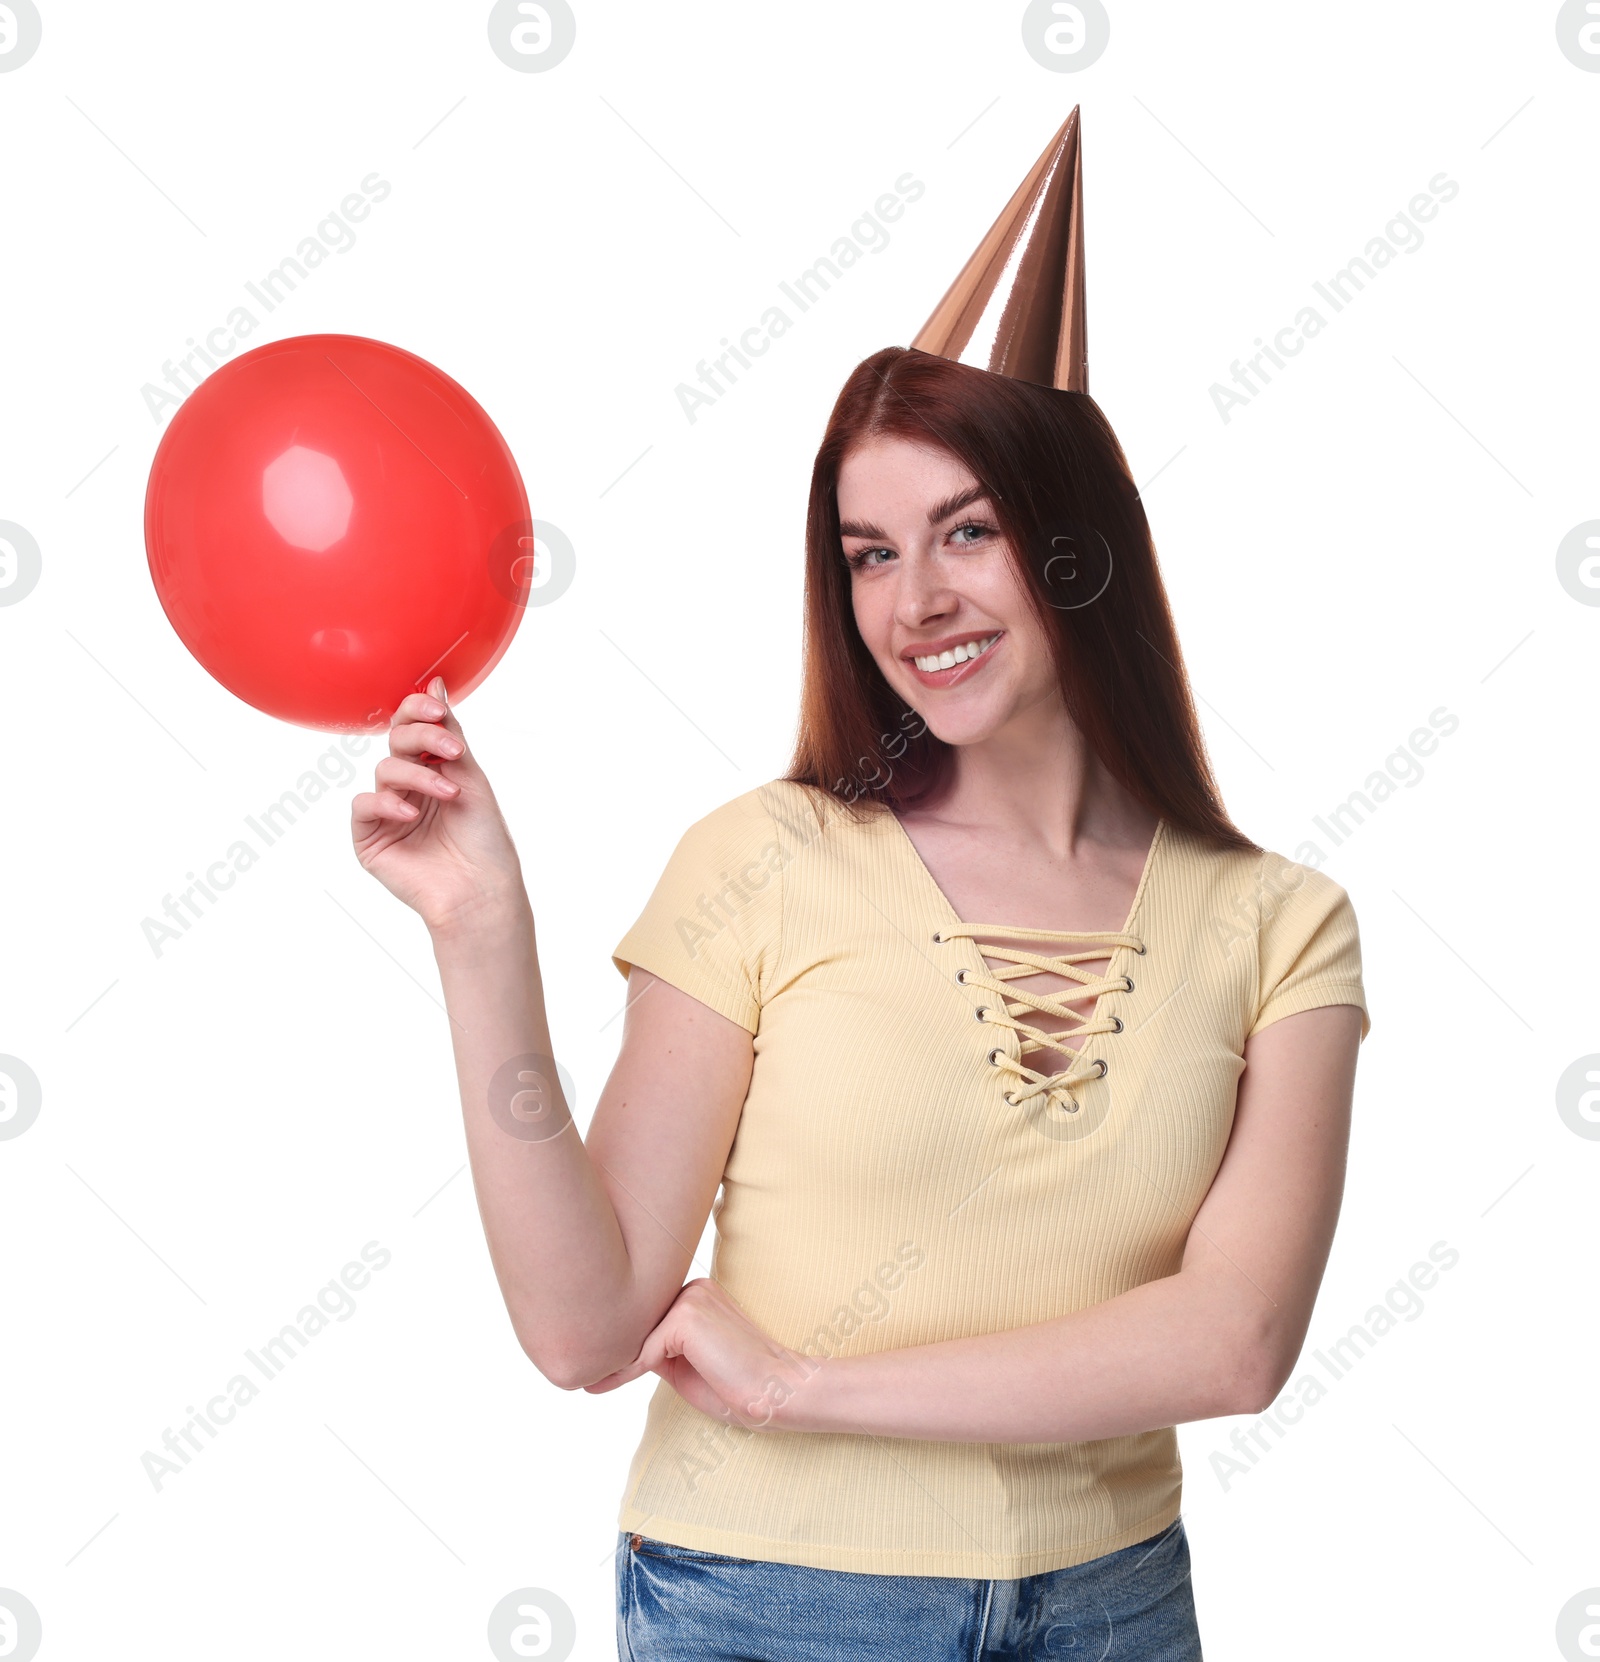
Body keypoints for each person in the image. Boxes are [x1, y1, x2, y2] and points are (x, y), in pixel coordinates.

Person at [351, 110, 1368, 1661]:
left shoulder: (1279, 924)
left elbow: (1233, 1340)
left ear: (1077, 548)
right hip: (769, 1601)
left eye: (970, 532)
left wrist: (805, 1388)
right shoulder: (765, 862)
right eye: (869, 551)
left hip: (1114, 1607)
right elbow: (586, 1323)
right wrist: (482, 930)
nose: (918, 601)